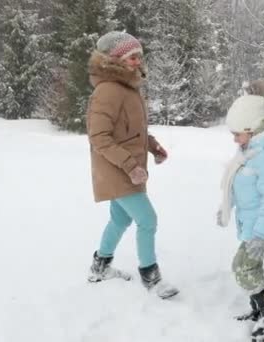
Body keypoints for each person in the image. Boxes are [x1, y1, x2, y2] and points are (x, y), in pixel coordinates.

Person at [85, 31, 178, 299]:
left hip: (129, 169)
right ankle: (151, 277)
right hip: (118, 170)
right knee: (148, 220)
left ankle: (100, 266)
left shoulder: (128, 88)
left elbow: (133, 130)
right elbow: (99, 137)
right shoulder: (107, 91)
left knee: (120, 218)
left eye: (139, 56)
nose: (138, 61)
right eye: (131, 57)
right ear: (114, 60)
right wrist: (129, 165)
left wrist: (153, 146)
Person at [217, 94, 264, 340]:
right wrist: (226, 207)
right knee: (251, 266)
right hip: (252, 222)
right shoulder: (252, 150)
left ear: (253, 129)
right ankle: (259, 309)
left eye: (237, 132)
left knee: (242, 267)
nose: (233, 138)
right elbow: (242, 184)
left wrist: (261, 235)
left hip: (263, 226)